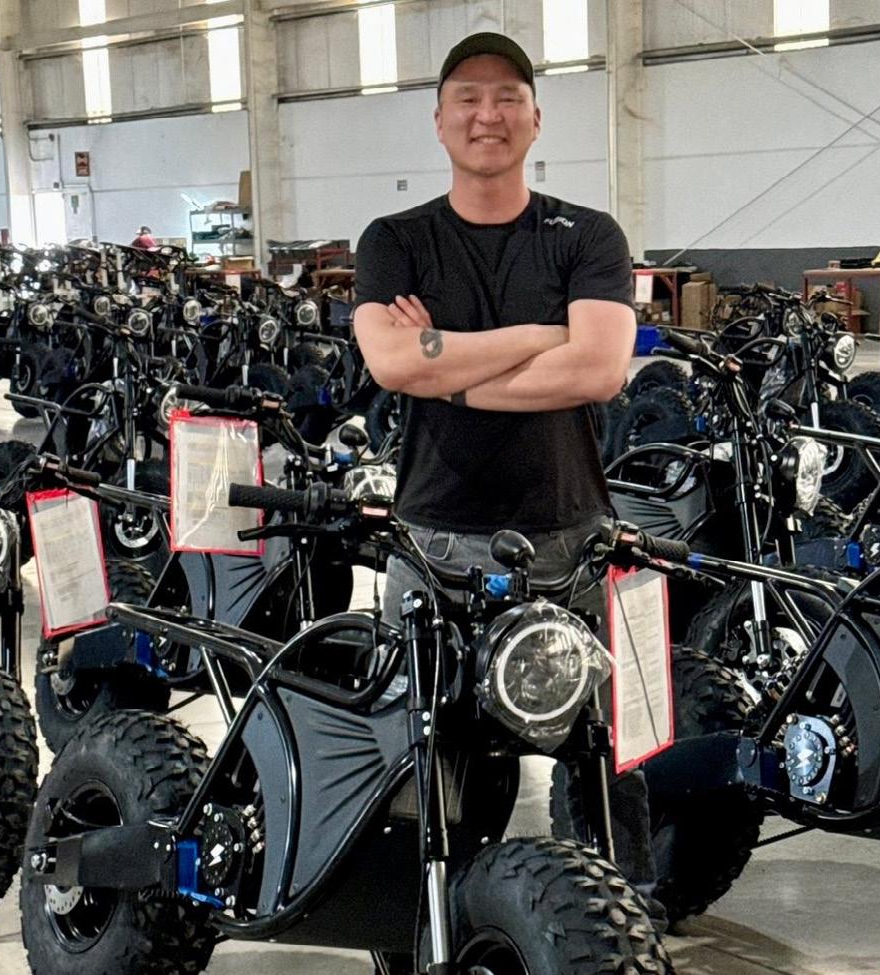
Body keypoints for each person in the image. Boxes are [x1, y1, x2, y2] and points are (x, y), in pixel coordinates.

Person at [353, 32, 664, 924]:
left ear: (535, 117)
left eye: (506, 98)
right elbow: (388, 362)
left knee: (607, 755)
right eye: (467, 97)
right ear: (439, 119)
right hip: (433, 540)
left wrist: (445, 364)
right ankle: (429, 923)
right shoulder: (395, 241)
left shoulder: (586, 236)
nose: (486, 115)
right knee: (424, 757)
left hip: (572, 538)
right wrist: (538, 336)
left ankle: (625, 917)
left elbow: (597, 369)